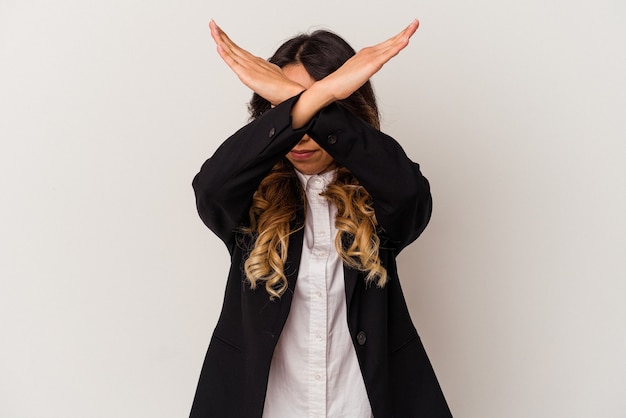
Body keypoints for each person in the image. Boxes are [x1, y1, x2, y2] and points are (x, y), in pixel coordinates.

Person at [190, 19, 452, 417]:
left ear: (347, 114)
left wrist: (306, 99)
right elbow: (209, 187)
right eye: (287, 110)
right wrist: (317, 97)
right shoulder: (249, 199)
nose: (304, 136)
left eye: (324, 110)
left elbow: (411, 193)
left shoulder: (380, 196)